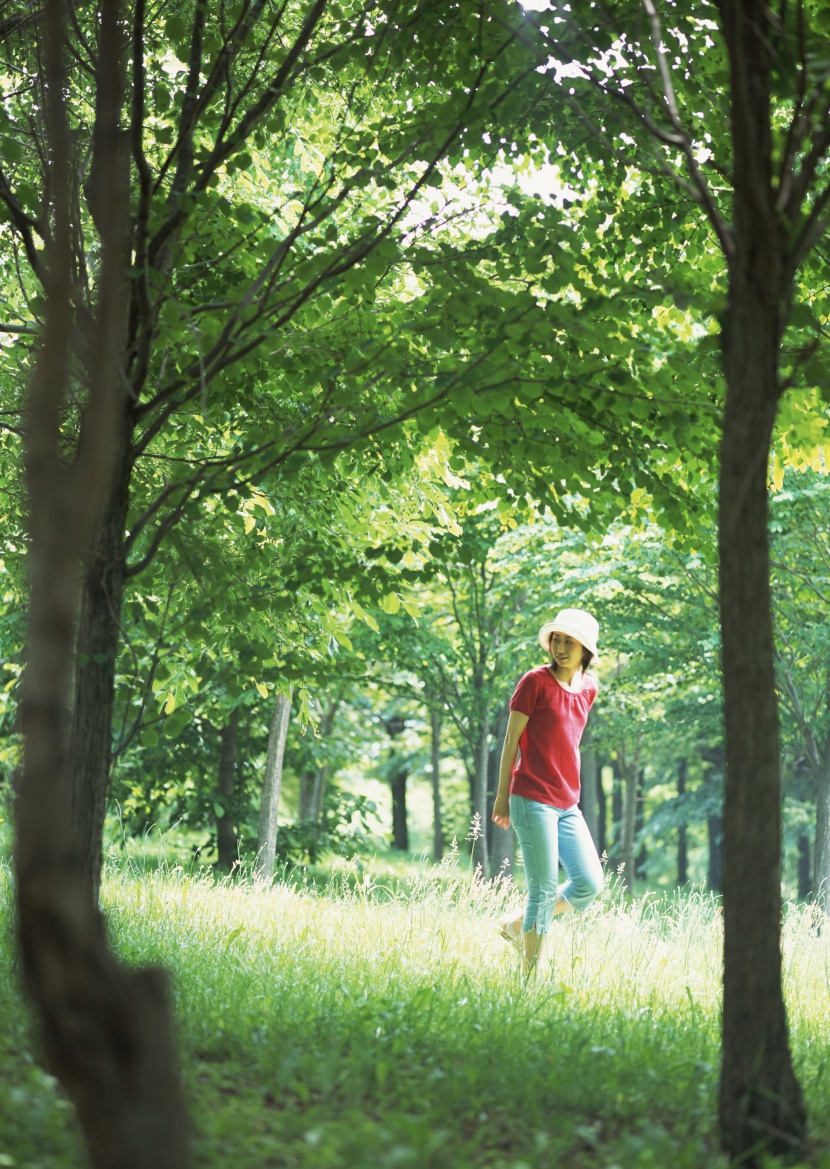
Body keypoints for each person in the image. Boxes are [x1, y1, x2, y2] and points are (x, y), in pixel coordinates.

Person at [491, 608, 604, 973]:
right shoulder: (534, 682)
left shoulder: (589, 688)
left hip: (568, 802)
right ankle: (528, 981)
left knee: (588, 882)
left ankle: (512, 926)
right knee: (541, 890)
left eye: (569, 641)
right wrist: (502, 794)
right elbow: (511, 739)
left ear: (585, 648)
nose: (560, 647)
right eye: (556, 639)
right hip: (531, 797)